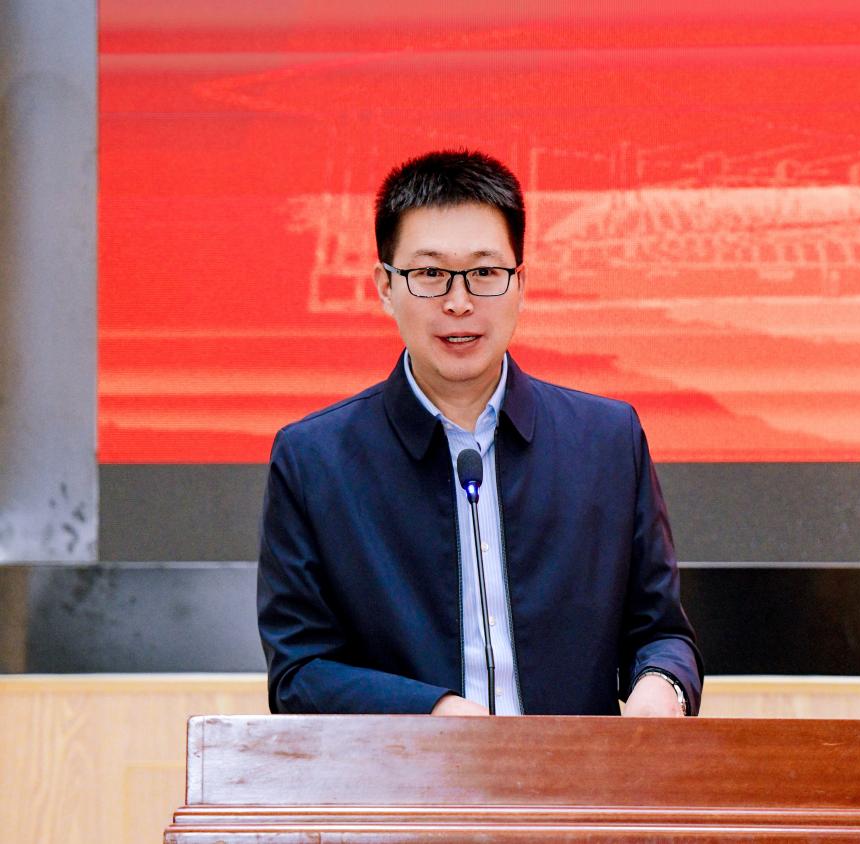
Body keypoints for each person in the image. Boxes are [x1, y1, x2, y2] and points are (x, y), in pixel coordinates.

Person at [257, 149, 702, 717]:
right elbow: (299, 672)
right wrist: (434, 712)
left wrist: (662, 684)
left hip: (576, 770)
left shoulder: (607, 441)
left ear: (521, 284)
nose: (459, 302)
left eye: (485, 273)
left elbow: (661, 632)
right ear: (385, 286)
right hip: (406, 771)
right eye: (430, 274)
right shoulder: (314, 460)